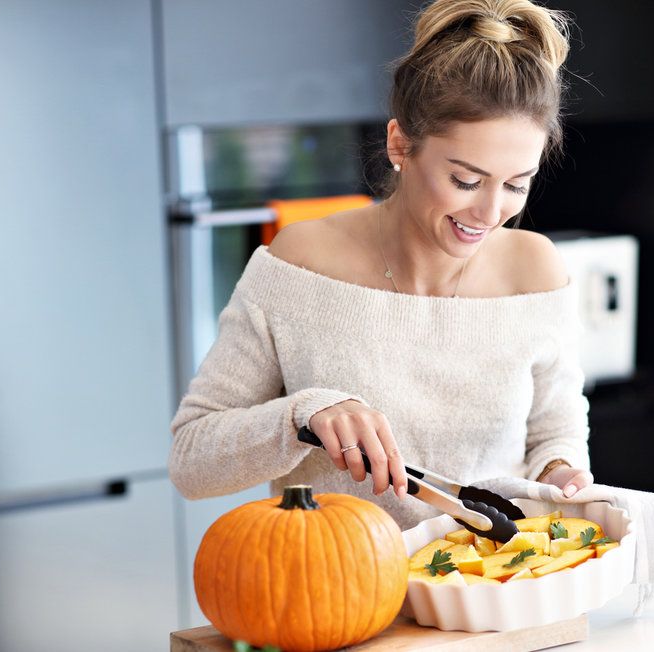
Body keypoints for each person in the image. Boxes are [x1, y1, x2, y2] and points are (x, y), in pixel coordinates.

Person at [169, 0, 594, 531]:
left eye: (515, 185)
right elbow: (191, 463)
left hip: (497, 590)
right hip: (340, 593)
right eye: (465, 180)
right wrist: (306, 414)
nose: (490, 213)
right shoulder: (300, 265)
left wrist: (560, 472)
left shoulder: (536, 271)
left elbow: (554, 433)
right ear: (400, 143)